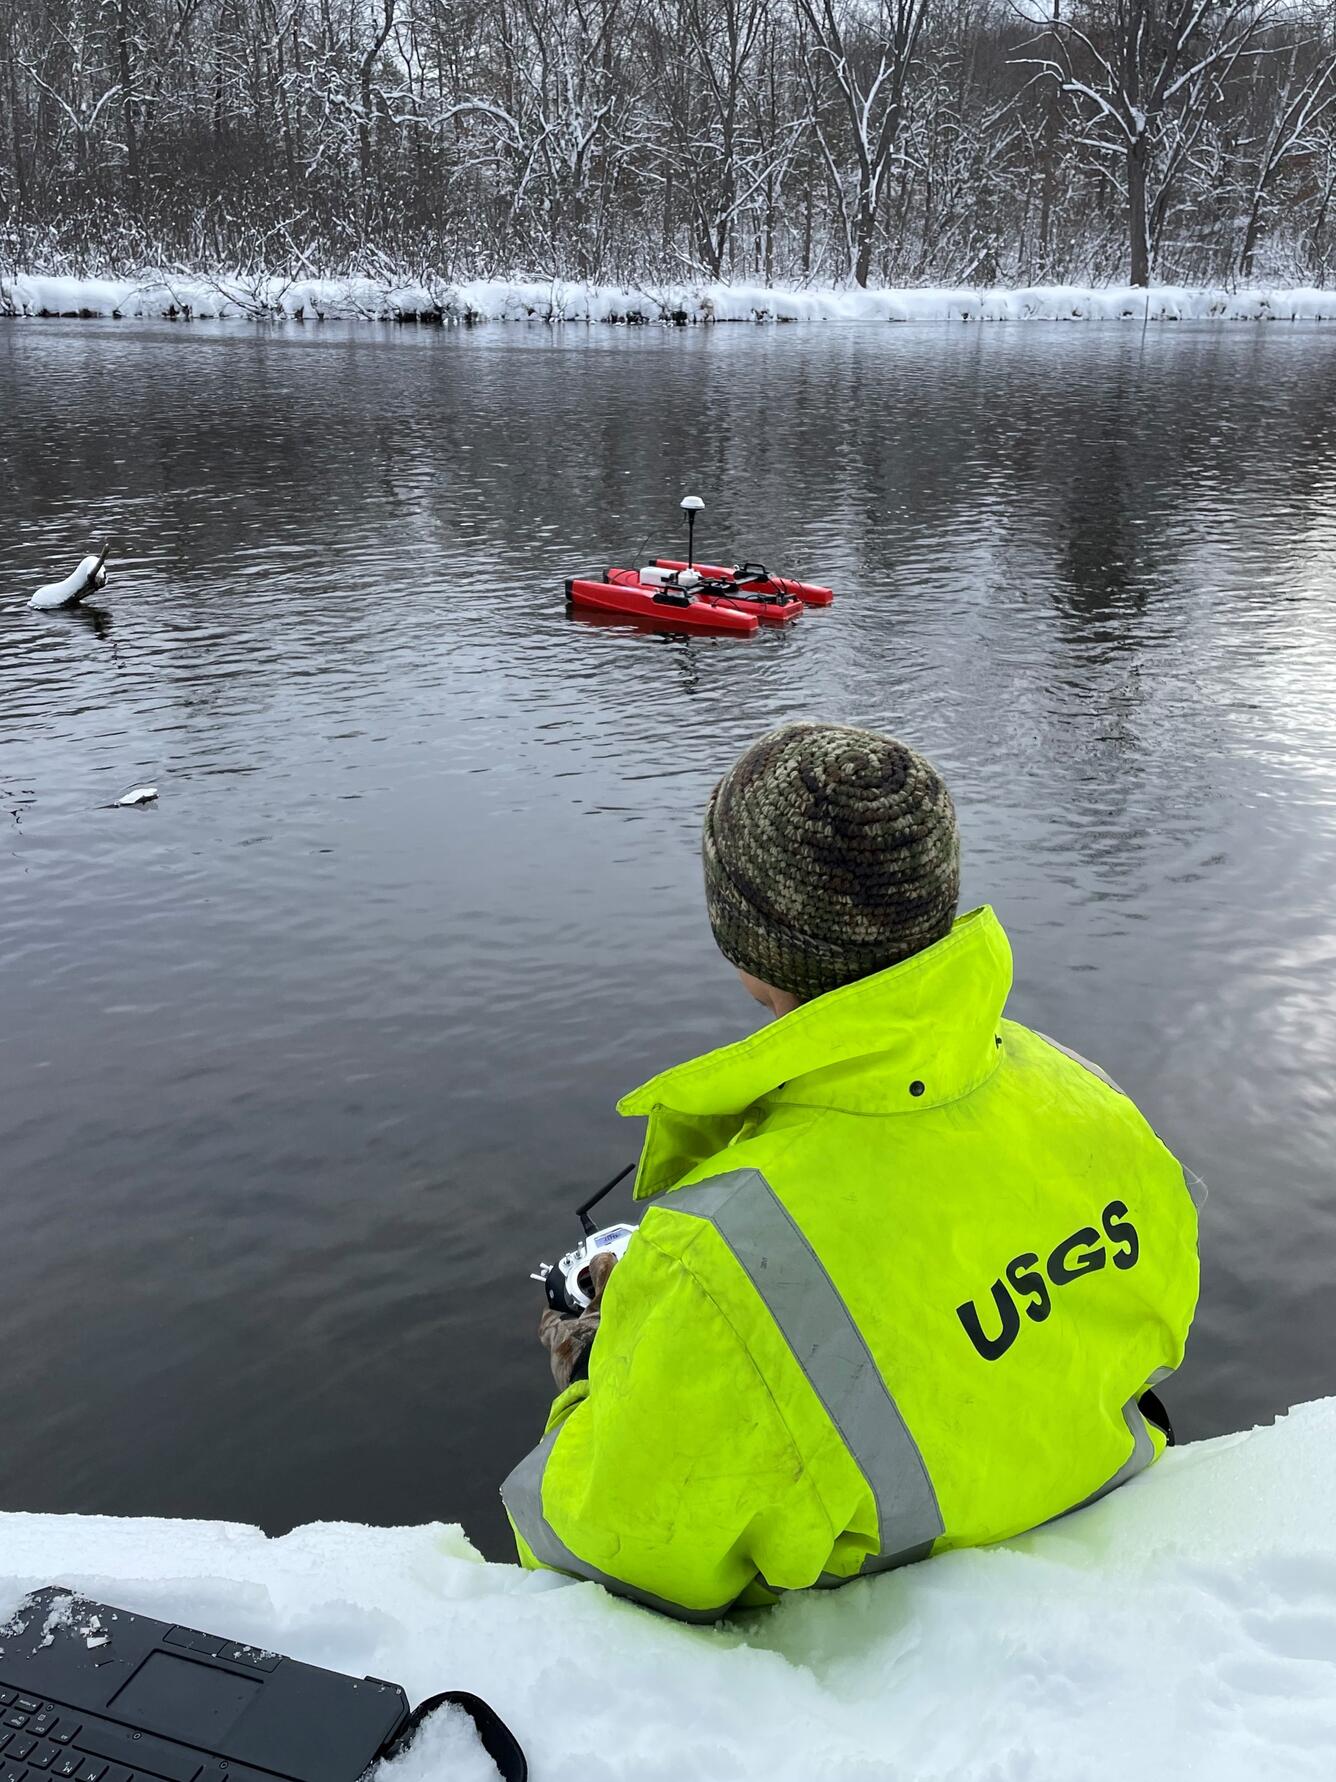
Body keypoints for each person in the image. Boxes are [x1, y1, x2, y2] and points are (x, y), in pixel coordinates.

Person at [502, 721, 1202, 1621]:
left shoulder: (713, 1264)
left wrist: (605, 1364)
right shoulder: (1081, 1089)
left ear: (746, 937)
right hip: (1102, 1527)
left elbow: (600, 1548)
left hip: (918, 1672)